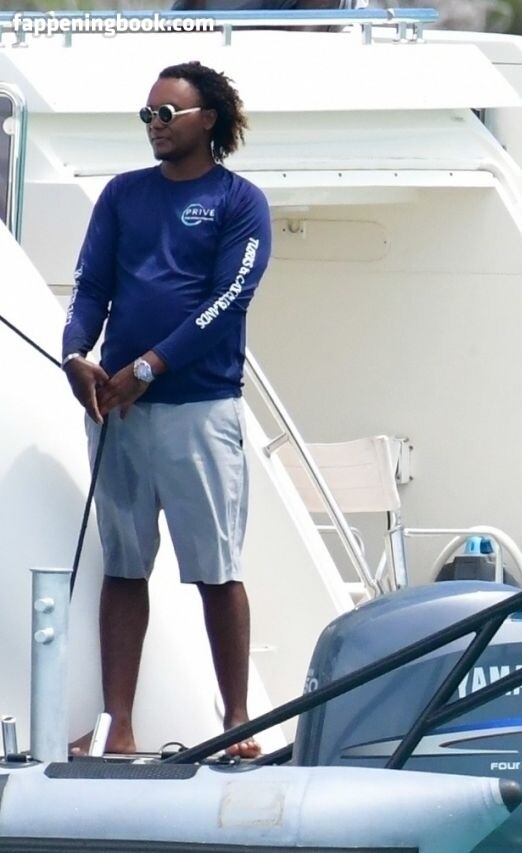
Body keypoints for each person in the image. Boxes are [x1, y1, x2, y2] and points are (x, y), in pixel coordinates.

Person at [62, 61, 271, 759]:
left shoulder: (240, 201)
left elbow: (227, 301)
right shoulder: (122, 195)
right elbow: (90, 287)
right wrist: (75, 354)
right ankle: (117, 726)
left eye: (167, 114)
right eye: (147, 115)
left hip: (198, 408)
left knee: (216, 570)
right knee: (124, 567)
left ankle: (238, 721)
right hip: (117, 410)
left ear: (207, 119)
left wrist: (150, 366)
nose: (154, 125)